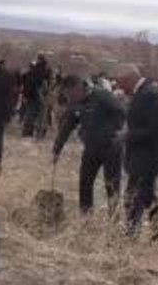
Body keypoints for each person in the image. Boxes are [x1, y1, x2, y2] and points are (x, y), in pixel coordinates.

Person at [52, 74, 126, 215]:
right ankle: (85, 217)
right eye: (67, 95)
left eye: (71, 94)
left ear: (79, 87)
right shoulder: (75, 104)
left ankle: (113, 219)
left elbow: (121, 112)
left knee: (111, 186)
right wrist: (56, 150)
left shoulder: (102, 96)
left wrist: (113, 132)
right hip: (91, 148)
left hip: (111, 148)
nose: (70, 98)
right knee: (85, 182)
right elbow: (66, 127)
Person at [116, 63, 158, 239]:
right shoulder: (142, 93)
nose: (120, 88)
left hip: (148, 157)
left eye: (121, 83)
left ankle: (131, 234)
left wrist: (128, 135)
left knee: (134, 196)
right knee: (146, 196)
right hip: (140, 155)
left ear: (130, 79)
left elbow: (156, 129)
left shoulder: (151, 95)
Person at [20, 54, 53, 138]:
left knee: (30, 114)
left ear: (38, 60)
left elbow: (28, 83)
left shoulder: (33, 70)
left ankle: (27, 133)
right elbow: (49, 83)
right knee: (42, 116)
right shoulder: (47, 70)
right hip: (43, 95)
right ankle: (40, 133)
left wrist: (25, 95)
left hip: (33, 95)